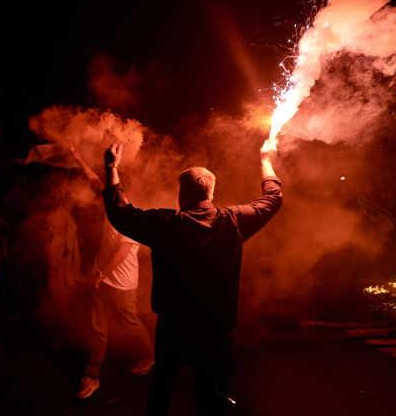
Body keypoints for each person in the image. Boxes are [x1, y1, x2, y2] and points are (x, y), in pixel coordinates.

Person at [101, 144, 282, 416]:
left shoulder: (165, 225)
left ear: (182, 193)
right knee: (211, 392)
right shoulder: (233, 221)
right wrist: (266, 161)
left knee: (162, 386)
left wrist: (112, 168)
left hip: (174, 325)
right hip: (216, 326)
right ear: (212, 192)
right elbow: (273, 198)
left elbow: (119, 212)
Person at [70, 146, 154, 400]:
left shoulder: (132, 215)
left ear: (123, 191)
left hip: (122, 284)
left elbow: (121, 251)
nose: (105, 191)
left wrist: (100, 274)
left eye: (112, 188)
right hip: (102, 279)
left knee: (130, 322)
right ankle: (91, 376)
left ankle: (150, 355)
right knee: (98, 328)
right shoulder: (110, 200)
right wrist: (78, 157)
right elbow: (95, 181)